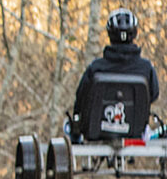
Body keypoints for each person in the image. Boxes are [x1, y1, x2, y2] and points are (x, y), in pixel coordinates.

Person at [68, 8, 160, 136]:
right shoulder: (146, 68)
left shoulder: (96, 68)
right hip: (134, 130)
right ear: (134, 33)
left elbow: (81, 97)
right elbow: (153, 95)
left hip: (96, 130)